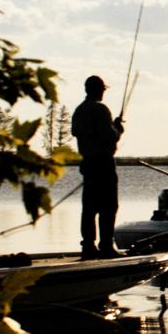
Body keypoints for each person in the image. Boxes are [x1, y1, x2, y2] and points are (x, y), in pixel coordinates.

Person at [70, 75, 125, 257]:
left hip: (87, 163)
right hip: (103, 164)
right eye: (102, 89)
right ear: (98, 90)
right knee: (108, 207)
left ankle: (88, 246)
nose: (103, 92)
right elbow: (109, 136)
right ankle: (106, 246)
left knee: (89, 207)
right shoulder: (100, 109)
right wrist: (117, 129)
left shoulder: (79, 110)